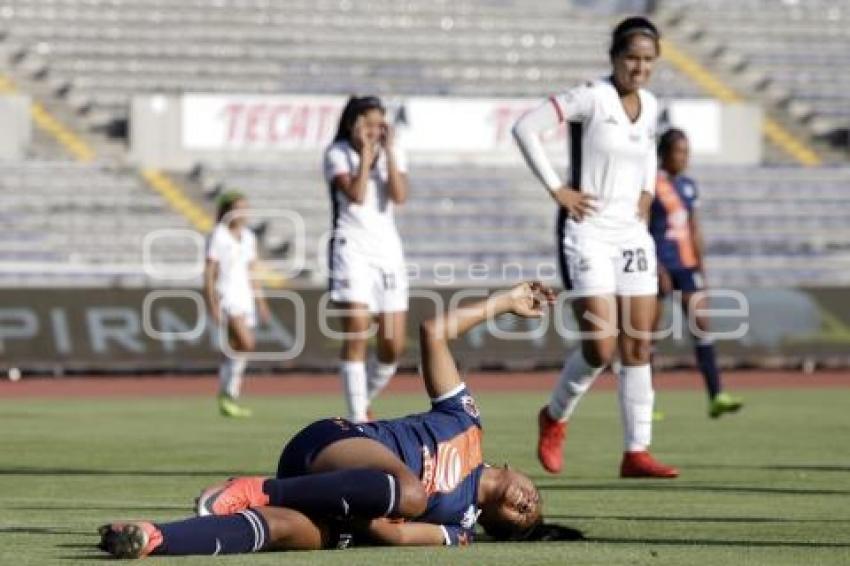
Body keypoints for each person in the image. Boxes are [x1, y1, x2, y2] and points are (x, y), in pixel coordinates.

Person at [97, 282, 584, 558]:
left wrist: (358, 519)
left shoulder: (458, 527)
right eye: (534, 498)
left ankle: (148, 537)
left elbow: (391, 534)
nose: (525, 503)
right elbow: (433, 332)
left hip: (344, 515)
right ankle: (262, 488)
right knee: (410, 492)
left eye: (522, 517)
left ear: (496, 526)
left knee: (281, 533)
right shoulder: (466, 421)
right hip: (329, 444)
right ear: (521, 472)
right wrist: (503, 303)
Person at [512, 17, 678, 478]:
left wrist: (647, 190)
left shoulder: (650, 102)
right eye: (632, 58)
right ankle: (554, 417)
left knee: (640, 343)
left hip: (631, 233)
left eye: (648, 60)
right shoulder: (592, 96)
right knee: (601, 347)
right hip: (587, 230)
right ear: (614, 58)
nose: (640, 68)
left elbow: (647, 151)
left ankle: (636, 451)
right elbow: (525, 128)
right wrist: (556, 189)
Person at [324, 95, 409, 423]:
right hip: (351, 248)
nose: (376, 130)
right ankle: (357, 418)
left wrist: (387, 152)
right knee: (358, 329)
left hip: (387, 252)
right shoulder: (338, 154)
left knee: (392, 346)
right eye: (369, 124)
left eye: (380, 124)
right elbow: (356, 195)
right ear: (353, 124)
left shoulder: (393, 152)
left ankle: (364, 399)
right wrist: (364, 155)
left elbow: (399, 196)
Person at [649, 128, 743, 418]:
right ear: (664, 154)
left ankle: (716, 395)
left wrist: (702, 268)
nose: (684, 158)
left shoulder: (689, 186)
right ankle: (646, 405)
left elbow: (694, 228)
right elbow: (641, 227)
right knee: (648, 334)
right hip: (658, 266)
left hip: (687, 265)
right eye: (679, 152)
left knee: (702, 324)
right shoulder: (650, 185)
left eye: (687, 152)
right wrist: (656, 266)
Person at [203, 191, 271, 418]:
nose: (243, 212)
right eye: (238, 207)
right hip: (226, 295)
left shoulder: (249, 237)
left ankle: (229, 395)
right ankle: (227, 393)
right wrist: (211, 302)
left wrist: (260, 301)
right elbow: (210, 272)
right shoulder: (218, 235)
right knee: (246, 342)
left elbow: (252, 271)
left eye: (245, 207)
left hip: (245, 297)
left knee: (237, 347)